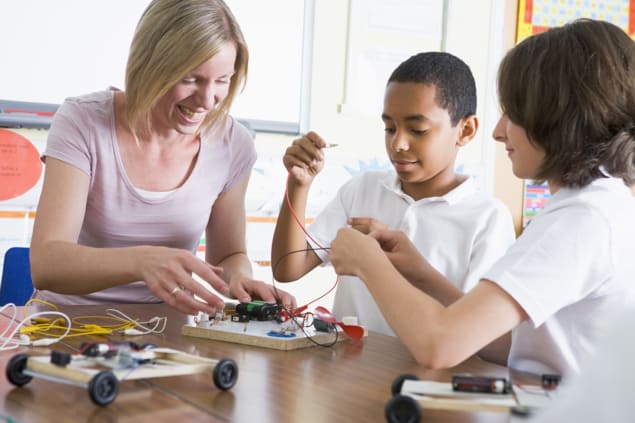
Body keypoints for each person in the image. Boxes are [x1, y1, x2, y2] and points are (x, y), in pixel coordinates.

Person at [328, 18, 635, 377]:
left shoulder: (581, 220)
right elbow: (506, 343)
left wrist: (368, 264)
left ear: (559, 118)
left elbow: (439, 344)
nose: (498, 131)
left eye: (513, 114)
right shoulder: (602, 206)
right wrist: (422, 274)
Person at [29, 0, 295, 315]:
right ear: (151, 66)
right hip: (66, 323)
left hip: (166, 331)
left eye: (222, 80)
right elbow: (48, 264)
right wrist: (141, 262)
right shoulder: (83, 122)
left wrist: (239, 281)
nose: (207, 100)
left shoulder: (233, 143)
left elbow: (228, 255)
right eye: (191, 79)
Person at [271, 52, 515, 335]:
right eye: (389, 128)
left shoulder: (487, 219)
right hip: (345, 371)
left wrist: (385, 265)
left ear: (466, 130)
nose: (397, 143)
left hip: (427, 376)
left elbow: (480, 328)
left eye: (418, 130)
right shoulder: (362, 189)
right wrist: (299, 186)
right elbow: (287, 268)